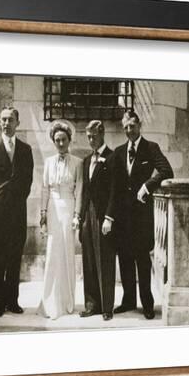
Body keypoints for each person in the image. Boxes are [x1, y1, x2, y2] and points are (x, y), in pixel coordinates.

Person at [106, 109, 173, 320]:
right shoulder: (117, 152)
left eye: (132, 126)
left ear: (139, 125)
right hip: (123, 220)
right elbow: (114, 187)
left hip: (142, 218)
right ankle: (128, 301)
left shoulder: (151, 148)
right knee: (125, 260)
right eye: (125, 127)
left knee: (143, 262)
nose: (129, 130)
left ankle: (147, 304)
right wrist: (110, 216)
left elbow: (166, 171)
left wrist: (147, 186)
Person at [0, 107, 34, 318]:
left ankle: (13, 301)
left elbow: (28, 180)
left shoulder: (25, 149)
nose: (6, 123)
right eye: (3, 119)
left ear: (17, 122)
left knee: (14, 257)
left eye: (10, 119)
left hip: (17, 211)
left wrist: (17, 199)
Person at [37, 121, 83, 320]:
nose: (61, 143)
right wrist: (43, 214)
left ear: (69, 140)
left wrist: (77, 216)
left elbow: (79, 190)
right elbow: (45, 189)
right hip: (53, 210)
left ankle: (66, 301)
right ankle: (50, 301)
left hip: (69, 207)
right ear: (53, 142)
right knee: (52, 254)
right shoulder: (48, 162)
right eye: (57, 140)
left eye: (64, 140)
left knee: (67, 253)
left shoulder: (78, 163)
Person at [79, 120, 117, 321]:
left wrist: (109, 218)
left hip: (104, 217)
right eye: (88, 137)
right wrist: (81, 217)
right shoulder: (86, 161)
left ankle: (107, 307)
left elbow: (114, 191)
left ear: (102, 134)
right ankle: (91, 304)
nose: (91, 140)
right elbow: (85, 191)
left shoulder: (112, 158)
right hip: (88, 215)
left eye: (93, 136)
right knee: (89, 261)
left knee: (105, 261)